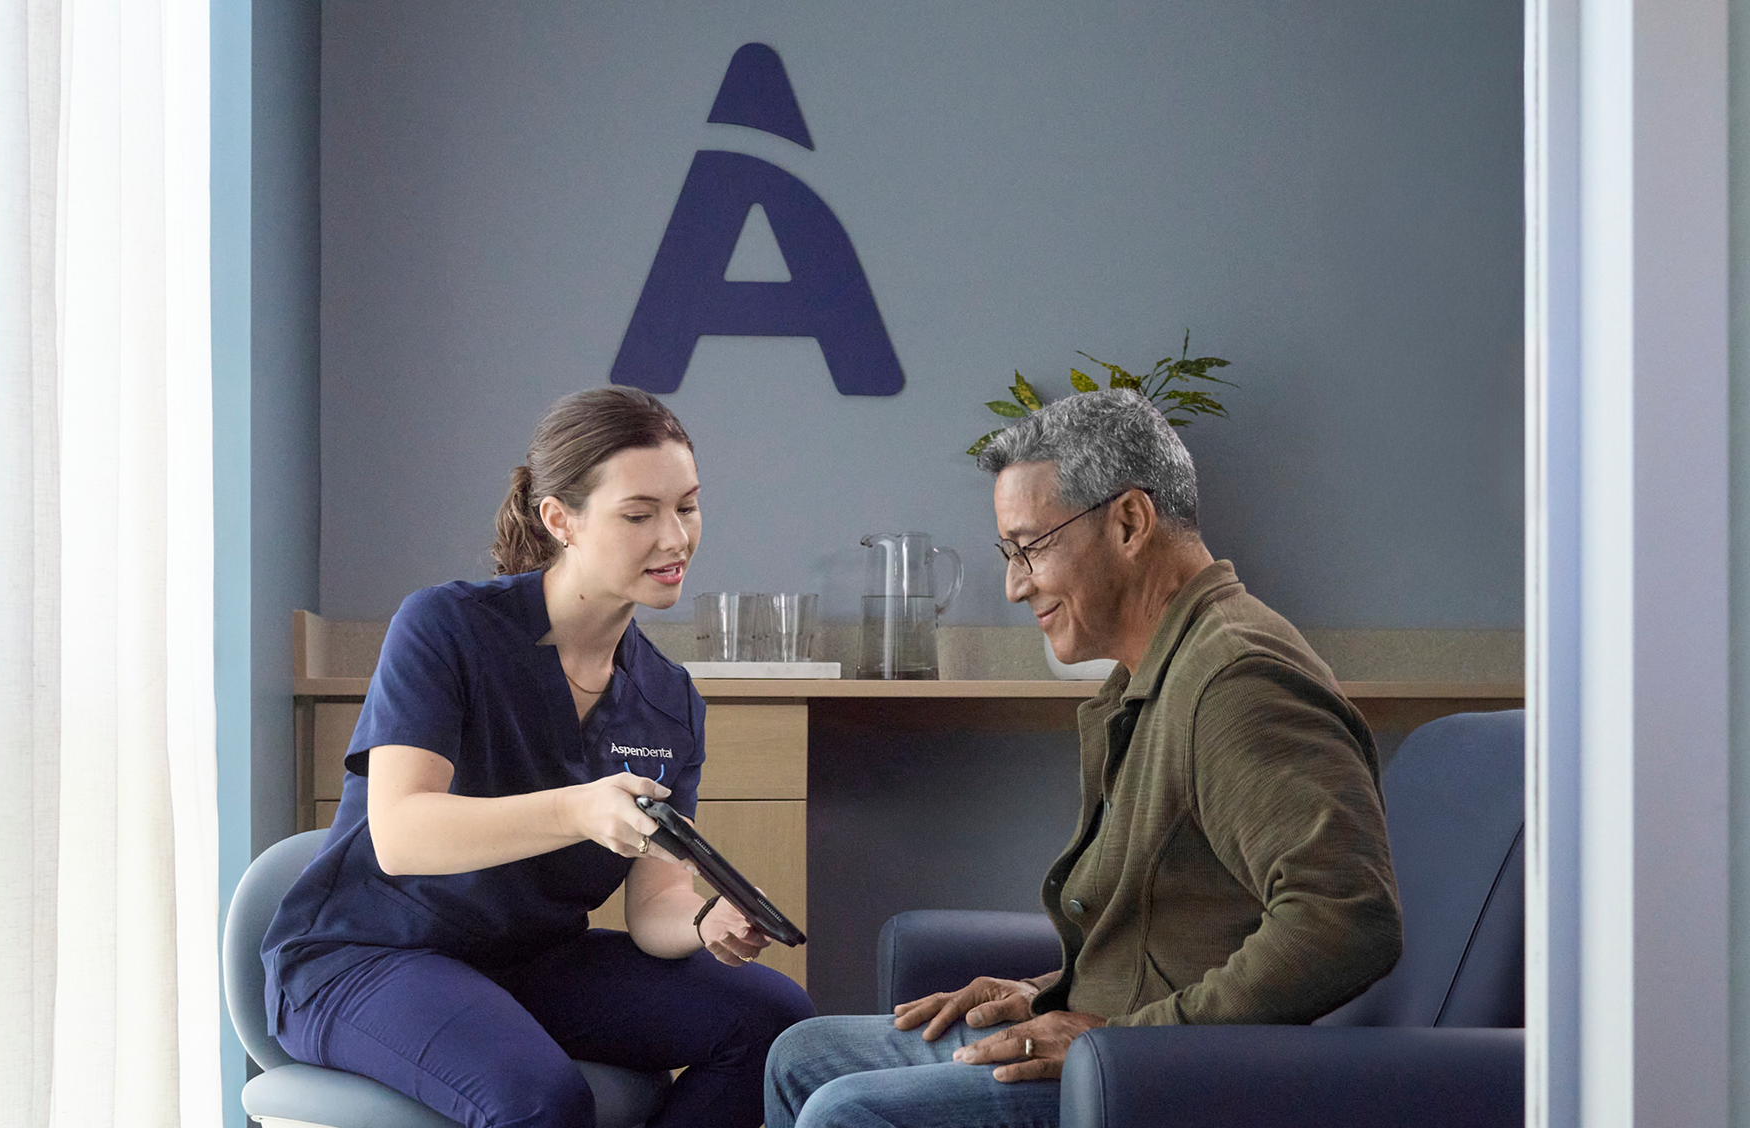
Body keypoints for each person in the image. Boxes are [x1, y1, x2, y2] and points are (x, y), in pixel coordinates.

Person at [765, 389, 1403, 1128]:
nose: (1013, 586)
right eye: (1010, 555)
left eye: (1030, 548)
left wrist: (1121, 1043)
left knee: (847, 1111)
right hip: (1122, 1049)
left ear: (1129, 521)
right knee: (803, 1055)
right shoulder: (1155, 671)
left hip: (1169, 1082)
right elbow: (1179, 928)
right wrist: (1047, 997)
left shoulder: (1236, 678)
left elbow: (1347, 919)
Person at [262, 387, 813, 1128]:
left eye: (687, 506)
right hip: (370, 959)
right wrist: (579, 809)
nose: (676, 537)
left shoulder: (668, 700)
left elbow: (654, 906)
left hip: (534, 963)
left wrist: (707, 916)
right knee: (541, 1101)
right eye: (638, 514)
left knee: (778, 1025)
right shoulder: (446, 628)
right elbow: (400, 836)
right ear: (560, 519)